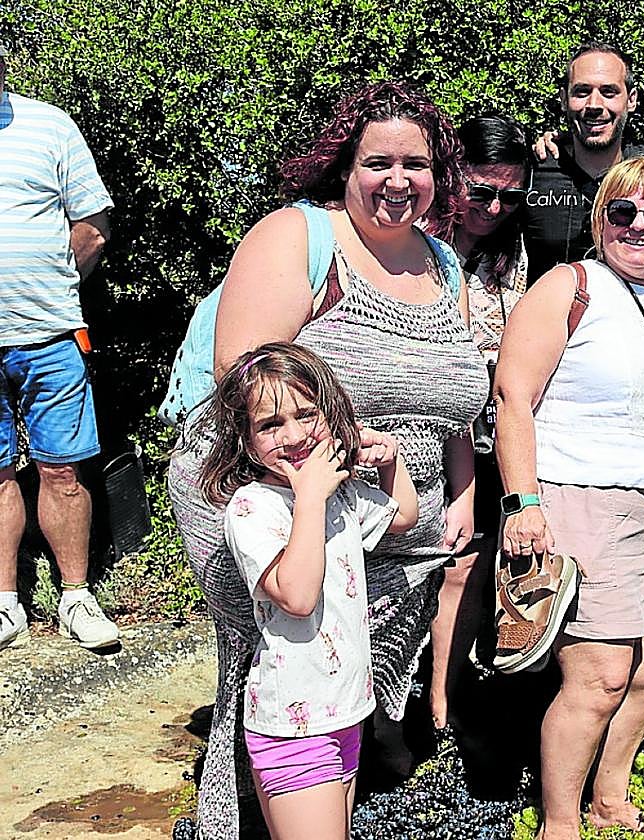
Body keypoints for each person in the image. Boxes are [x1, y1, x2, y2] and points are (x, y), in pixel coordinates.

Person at [167, 81, 489, 838]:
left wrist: (461, 490)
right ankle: (251, 814)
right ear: (344, 165)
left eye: (417, 164)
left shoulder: (444, 262)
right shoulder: (299, 236)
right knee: (288, 670)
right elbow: (244, 378)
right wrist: (333, 457)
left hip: (385, 510)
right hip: (285, 500)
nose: (398, 180)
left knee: (344, 680)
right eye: (379, 162)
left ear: (439, 174)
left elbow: (453, 396)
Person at [494, 156, 644, 840]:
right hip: (584, 499)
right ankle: (560, 823)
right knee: (600, 675)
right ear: (600, 218)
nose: (639, 226)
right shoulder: (569, 286)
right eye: (623, 211)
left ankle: (609, 795)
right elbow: (512, 398)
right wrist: (522, 503)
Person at [196, 343, 419, 840]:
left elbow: (403, 516)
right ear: (244, 440)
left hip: (344, 710)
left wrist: (390, 462)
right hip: (293, 724)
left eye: (306, 414)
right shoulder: (253, 507)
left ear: (331, 414)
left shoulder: (339, 493)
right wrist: (311, 498)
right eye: (270, 424)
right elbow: (296, 596)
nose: (294, 435)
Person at [0, 40, 119, 651]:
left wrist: (47, 282)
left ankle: (76, 595)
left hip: (49, 333)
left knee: (63, 470)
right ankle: (5, 602)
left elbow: (92, 227)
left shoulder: (49, 125)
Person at [425, 114, 532, 729]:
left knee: (468, 556)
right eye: (482, 190)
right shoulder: (409, 235)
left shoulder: (509, 248)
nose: (493, 208)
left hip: (481, 425)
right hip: (415, 419)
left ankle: (444, 698)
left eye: (509, 197)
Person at [522, 44, 644, 283]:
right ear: (564, 99)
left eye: (609, 92)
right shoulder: (532, 168)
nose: (594, 105)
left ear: (631, 99)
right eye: (582, 92)